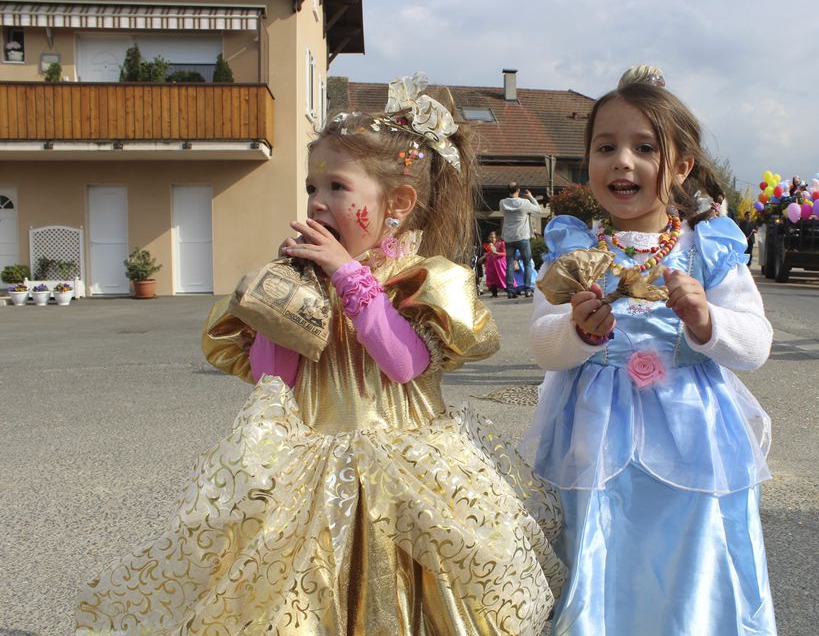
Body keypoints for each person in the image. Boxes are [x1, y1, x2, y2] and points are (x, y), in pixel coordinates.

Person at [77, 73, 565, 634]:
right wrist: (278, 307)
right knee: (307, 596)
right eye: (311, 188)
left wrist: (351, 279)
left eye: (337, 187)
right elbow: (271, 382)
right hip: (310, 466)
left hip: (403, 469)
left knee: (407, 589)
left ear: (398, 203)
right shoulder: (306, 280)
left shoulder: (420, 278)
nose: (317, 202)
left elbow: (404, 364)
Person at [523, 78, 775, 634]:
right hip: (593, 434)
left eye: (645, 148)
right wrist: (578, 333)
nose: (623, 163)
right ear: (587, 160)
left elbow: (755, 343)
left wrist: (709, 321)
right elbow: (541, 341)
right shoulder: (575, 249)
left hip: (695, 431)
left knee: (691, 563)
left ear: (682, 166)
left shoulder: (709, 246)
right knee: (600, 555)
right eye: (606, 147)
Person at [499, 182, 541, 298]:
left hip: (508, 238)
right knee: (527, 263)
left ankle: (510, 290)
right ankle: (528, 289)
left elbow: (504, 211)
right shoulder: (524, 203)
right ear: (518, 190)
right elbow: (538, 209)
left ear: (508, 190)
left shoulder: (502, 203)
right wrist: (530, 196)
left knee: (510, 264)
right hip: (522, 237)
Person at [483, 229, 508, 297]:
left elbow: (505, 253)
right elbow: (489, 253)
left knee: (503, 277)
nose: (493, 238)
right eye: (491, 237)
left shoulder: (501, 243)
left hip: (500, 264)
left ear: (497, 237)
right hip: (491, 264)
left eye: (494, 237)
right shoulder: (488, 245)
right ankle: (494, 293)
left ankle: (509, 291)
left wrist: (496, 253)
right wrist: (483, 257)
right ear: (488, 238)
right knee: (492, 278)